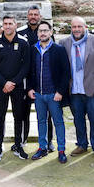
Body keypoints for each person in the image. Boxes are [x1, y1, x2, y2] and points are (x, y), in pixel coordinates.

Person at [60, 17, 94, 159]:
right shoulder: (64, 43)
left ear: (85, 27)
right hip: (74, 89)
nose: (76, 29)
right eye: (74, 27)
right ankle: (82, 144)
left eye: (79, 26)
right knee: (78, 119)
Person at [27, 20, 70, 163]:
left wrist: (60, 92)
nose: (43, 33)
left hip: (54, 94)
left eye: (45, 30)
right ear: (37, 33)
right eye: (40, 31)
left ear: (51, 32)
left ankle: (61, 150)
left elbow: (66, 73)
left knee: (58, 122)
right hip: (38, 94)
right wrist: (30, 88)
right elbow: (30, 71)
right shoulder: (33, 49)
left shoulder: (59, 49)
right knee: (41, 121)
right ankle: (42, 148)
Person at [0, 15, 29, 161]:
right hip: (0, 87)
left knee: (19, 116)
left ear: (16, 25)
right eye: (5, 23)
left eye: (10, 23)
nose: (8, 26)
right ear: (2, 26)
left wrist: (13, 82)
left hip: (17, 86)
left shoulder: (23, 42)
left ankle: (18, 145)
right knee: (0, 117)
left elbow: (26, 66)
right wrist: (4, 83)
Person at [17, 5, 43, 148]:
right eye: (31, 14)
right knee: (23, 112)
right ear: (27, 16)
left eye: (36, 14)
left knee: (45, 113)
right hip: (25, 78)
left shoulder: (45, 31)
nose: (33, 17)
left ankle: (47, 141)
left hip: (42, 77)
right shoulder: (20, 33)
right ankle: (22, 139)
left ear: (40, 16)